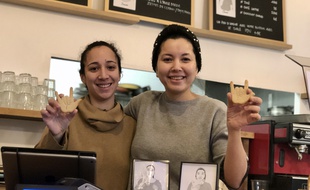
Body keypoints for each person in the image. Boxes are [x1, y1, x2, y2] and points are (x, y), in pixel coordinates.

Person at [124, 24, 262, 190]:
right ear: (156, 67)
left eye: (185, 59)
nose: (176, 67)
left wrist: (234, 130)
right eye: (167, 59)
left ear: (197, 68)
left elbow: (234, 180)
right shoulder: (140, 104)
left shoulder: (214, 111)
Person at [35, 41, 136, 190]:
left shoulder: (133, 126)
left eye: (110, 67)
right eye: (94, 68)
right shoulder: (66, 119)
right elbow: (35, 171)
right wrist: (56, 136)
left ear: (119, 74)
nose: (103, 75)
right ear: (83, 76)